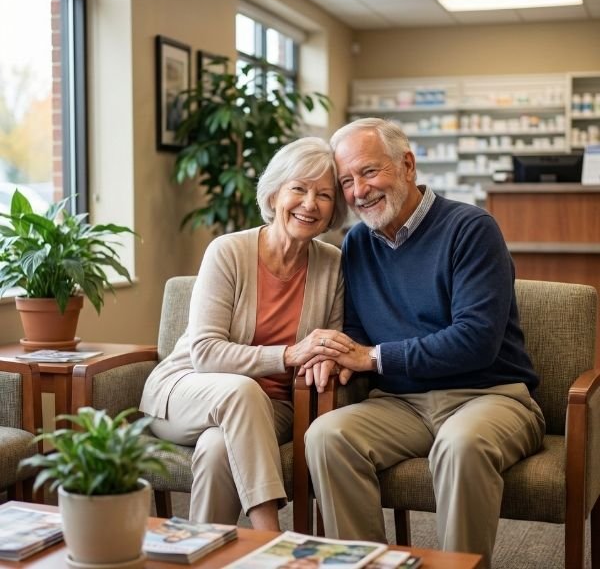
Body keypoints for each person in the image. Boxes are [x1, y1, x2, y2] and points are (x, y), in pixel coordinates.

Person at [302, 118, 546, 568]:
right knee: (327, 435)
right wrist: (336, 355)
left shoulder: (471, 228)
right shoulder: (357, 243)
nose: (359, 191)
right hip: (404, 403)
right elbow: (358, 329)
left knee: (461, 443)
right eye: (347, 181)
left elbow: (475, 342)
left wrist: (373, 357)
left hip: (491, 396)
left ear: (407, 165)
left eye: (370, 172)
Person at [139, 136, 351, 531]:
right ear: (274, 195)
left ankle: (200, 554)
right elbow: (205, 353)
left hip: (276, 409)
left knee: (218, 448)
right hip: (188, 391)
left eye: (324, 195)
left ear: (334, 209)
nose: (310, 204)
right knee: (241, 389)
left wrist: (326, 359)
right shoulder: (228, 251)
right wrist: (289, 355)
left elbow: (328, 342)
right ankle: (269, 534)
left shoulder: (333, 265)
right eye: (299, 189)